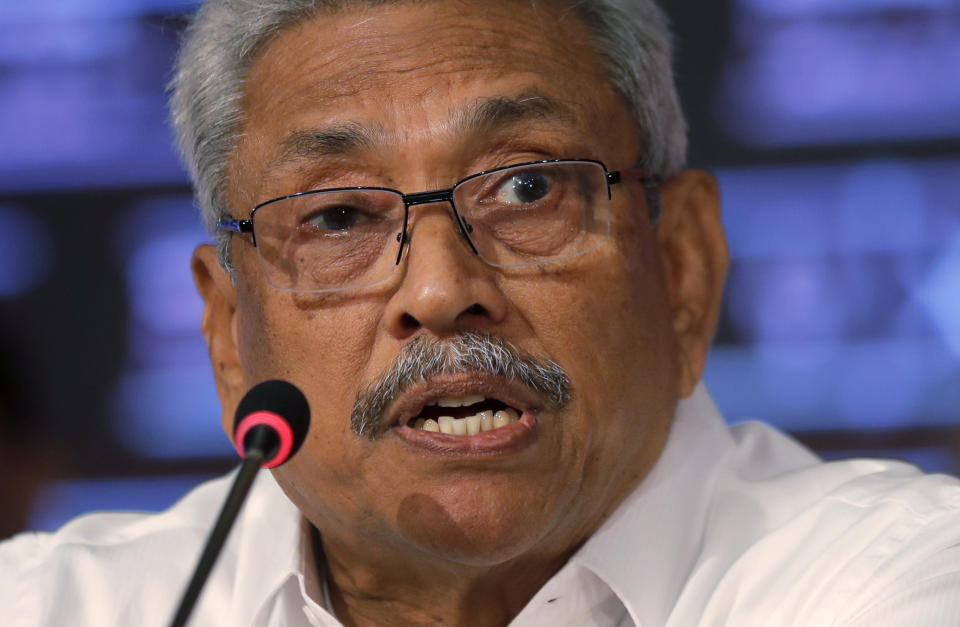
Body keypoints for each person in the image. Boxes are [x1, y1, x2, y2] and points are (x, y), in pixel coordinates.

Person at [2, 0, 959, 625]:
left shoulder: (894, 581)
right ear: (227, 341)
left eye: (528, 187)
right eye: (338, 215)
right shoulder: (53, 606)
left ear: (683, 269)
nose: (438, 290)